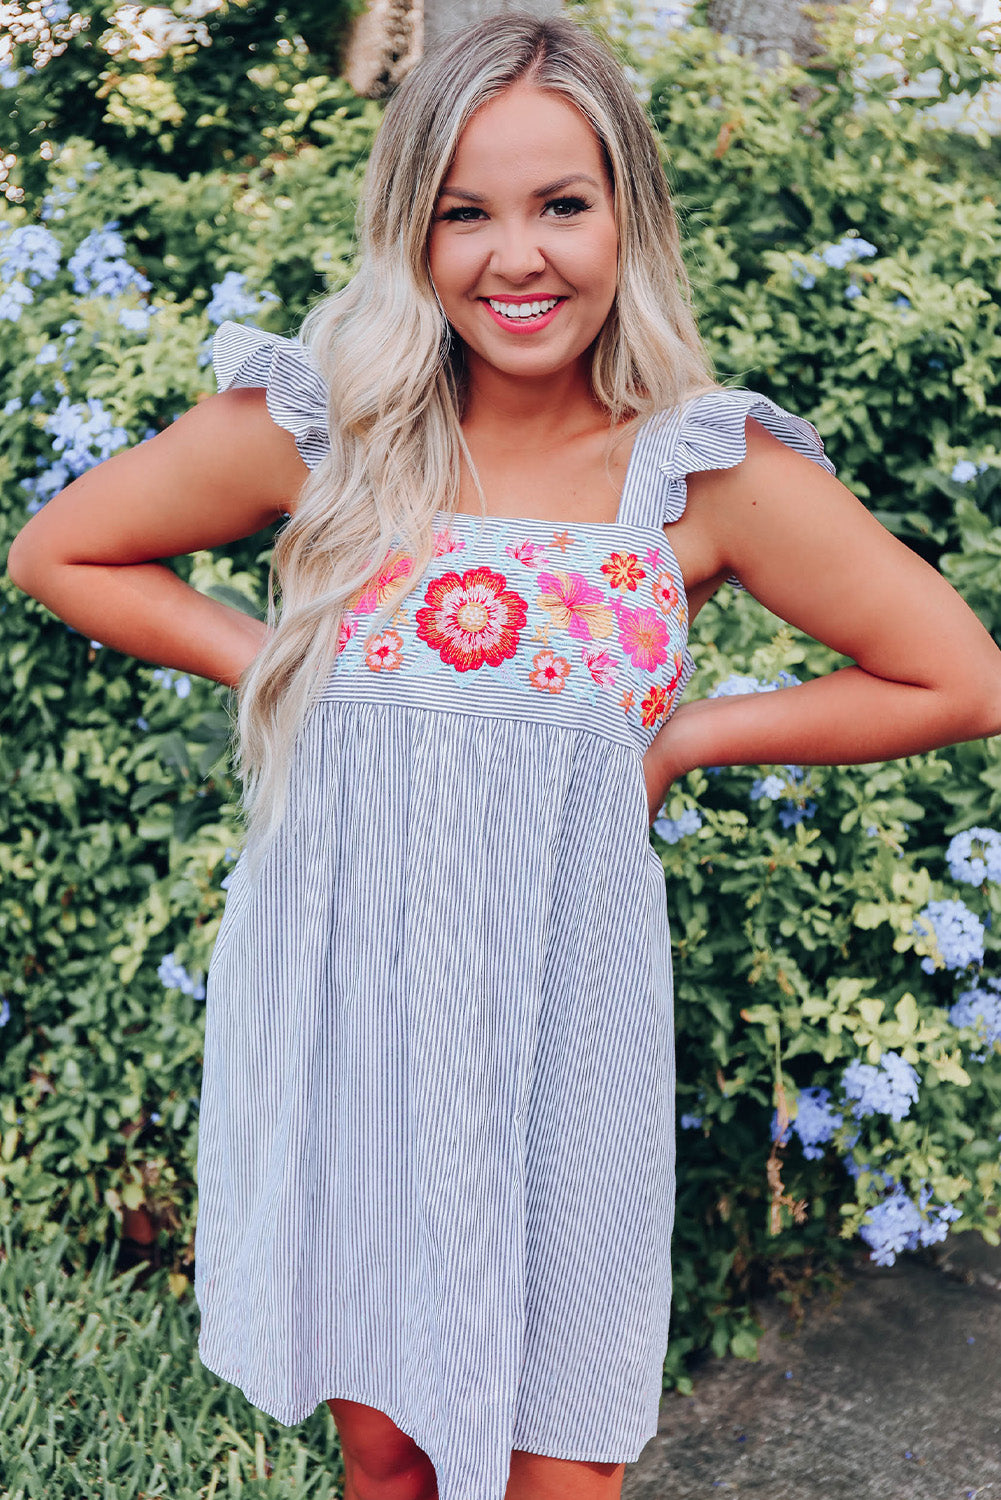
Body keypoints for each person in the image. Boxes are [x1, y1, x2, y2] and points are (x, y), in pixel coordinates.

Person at [7, 12, 1001, 1500]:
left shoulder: (701, 472)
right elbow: (62, 551)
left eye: (559, 205)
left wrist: (687, 740)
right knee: (387, 1450)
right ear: (409, 228)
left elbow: (955, 675)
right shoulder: (326, 433)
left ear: (628, 218)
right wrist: (285, 666)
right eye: (462, 211)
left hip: (560, 1025)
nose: (511, 256)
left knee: (558, 1464)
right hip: (353, 1006)